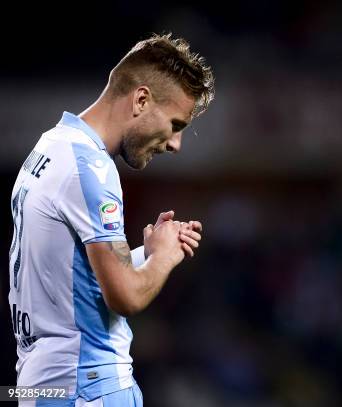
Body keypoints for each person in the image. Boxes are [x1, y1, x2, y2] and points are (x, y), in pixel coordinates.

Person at [8, 33, 215, 406]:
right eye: (176, 124)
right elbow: (125, 297)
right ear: (141, 99)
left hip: (41, 387)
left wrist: (144, 254)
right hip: (90, 388)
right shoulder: (92, 169)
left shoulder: (49, 147)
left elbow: (70, 279)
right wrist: (164, 257)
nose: (174, 144)